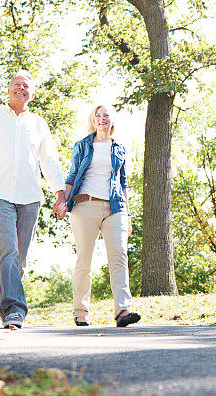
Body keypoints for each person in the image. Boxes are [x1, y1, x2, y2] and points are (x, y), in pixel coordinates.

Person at [0, 70, 67, 330]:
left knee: (20, 259)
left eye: (26, 86)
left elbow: (49, 160)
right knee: (9, 250)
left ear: (32, 94)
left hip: (30, 196)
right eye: (16, 84)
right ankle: (15, 309)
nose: (21, 88)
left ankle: (3, 301)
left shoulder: (39, 123)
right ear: (8, 89)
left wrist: (59, 192)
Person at [64, 104, 140, 327]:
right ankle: (80, 311)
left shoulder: (119, 148)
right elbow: (71, 176)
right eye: (98, 116)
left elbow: (123, 183)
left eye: (106, 115)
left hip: (114, 207)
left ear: (112, 120)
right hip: (84, 206)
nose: (102, 118)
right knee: (84, 260)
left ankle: (122, 310)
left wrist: (127, 214)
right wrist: (62, 201)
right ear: (93, 120)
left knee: (119, 257)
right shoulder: (83, 145)